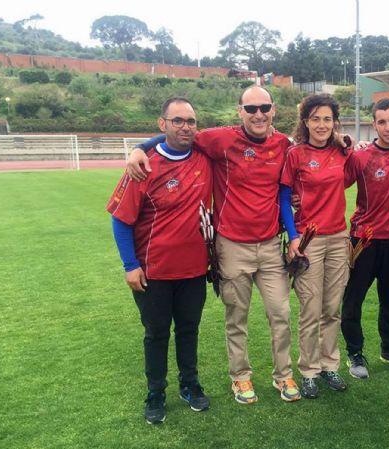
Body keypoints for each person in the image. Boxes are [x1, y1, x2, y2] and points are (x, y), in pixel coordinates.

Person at [126, 86, 301, 405]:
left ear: (273, 110)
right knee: (237, 315)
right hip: (232, 244)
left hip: (270, 244)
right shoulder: (220, 138)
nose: (258, 114)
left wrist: (344, 143)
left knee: (281, 311)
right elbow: (179, 135)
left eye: (264, 108)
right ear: (240, 112)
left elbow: (298, 171)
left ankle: (283, 374)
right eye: (251, 109)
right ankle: (241, 378)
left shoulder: (283, 144)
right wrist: (140, 147)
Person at [107, 96, 212, 424]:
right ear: (162, 123)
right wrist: (129, 265)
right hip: (152, 273)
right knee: (156, 333)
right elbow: (120, 220)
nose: (186, 127)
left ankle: (189, 384)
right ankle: (155, 392)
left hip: (195, 270)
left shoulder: (206, 157)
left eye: (191, 121)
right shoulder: (144, 166)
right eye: (177, 120)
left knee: (189, 329)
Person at [341, 98, 389, 379]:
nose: (388, 127)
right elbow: (332, 183)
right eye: (382, 122)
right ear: (373, 125)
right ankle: (354, 353)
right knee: (353, 300)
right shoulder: (361, 157)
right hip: (363, 240)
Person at [280, 93, 350, 398]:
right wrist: (293, 236)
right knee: (310, 308)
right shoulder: (295, 155)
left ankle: (329, 365)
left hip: (339, 238)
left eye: (327, 119)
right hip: (309, 239)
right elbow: (284, 197)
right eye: (315, 119)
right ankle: (308, 371)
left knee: (332, 308)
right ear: (305, 121)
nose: (322, 124)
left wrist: (346, 142)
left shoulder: (342, 152)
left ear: (334, 122)